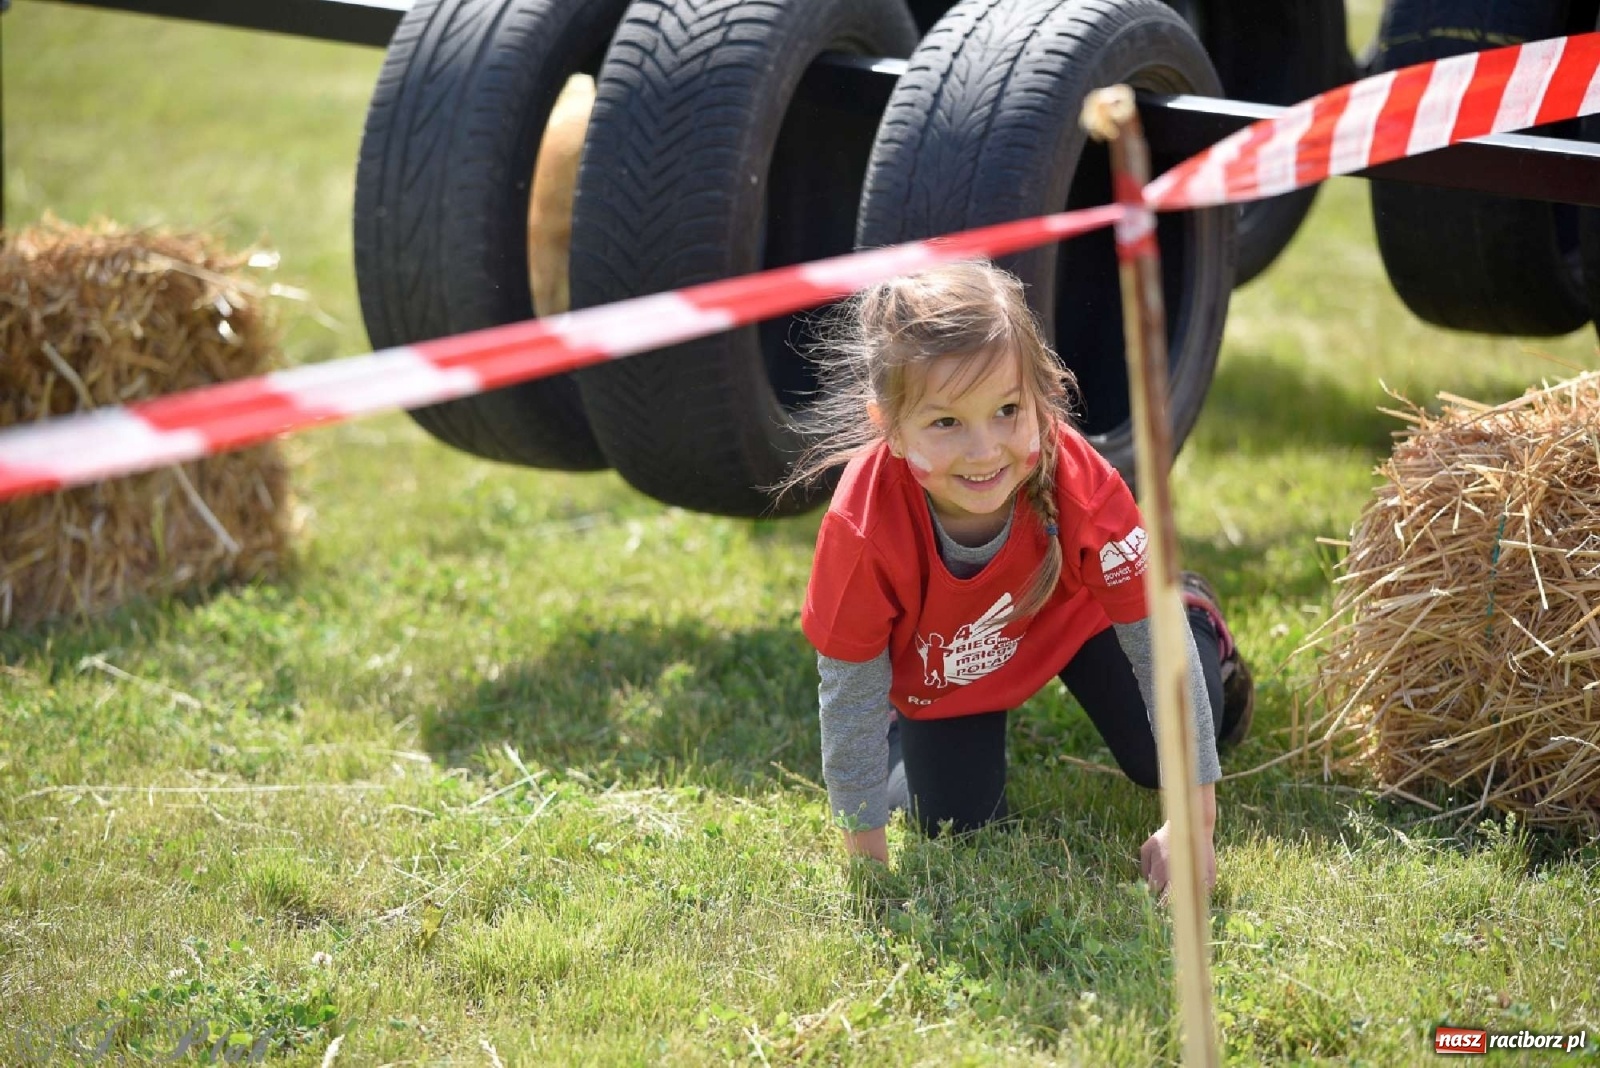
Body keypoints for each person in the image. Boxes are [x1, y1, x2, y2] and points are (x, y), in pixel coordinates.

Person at [789, 260, 1253, 895]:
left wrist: (1193, 825)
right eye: (946, 422)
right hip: (952, 662)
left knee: (1159, 757)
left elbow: (1155, 645)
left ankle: (1196, 608)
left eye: (1008, 409)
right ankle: (906, 730)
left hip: (1082, 618)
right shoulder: (861, 526)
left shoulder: (1077, 482)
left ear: (1041, 396)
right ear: (889, 427)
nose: (985, 451)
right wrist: (868, 872)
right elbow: (847, 697)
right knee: (955, 822)